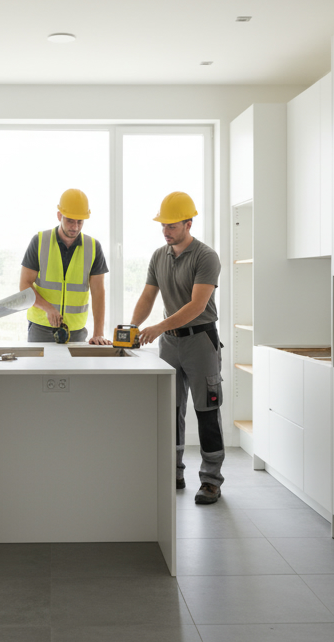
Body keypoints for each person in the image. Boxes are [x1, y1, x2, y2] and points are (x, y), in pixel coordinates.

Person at [129, 192, 224, 504]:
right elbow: (147, 297)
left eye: (172, 225)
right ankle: (174, 471)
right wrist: (132, 326)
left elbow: (197, 305)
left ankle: (211, 480)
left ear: (188, 223)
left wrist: (158, 327)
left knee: (206, 410)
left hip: (200, 341)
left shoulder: (206, 257)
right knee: (171, 410)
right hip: (171, 344)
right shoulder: (159, 256)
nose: (166, 231)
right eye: (163, 226)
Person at [20, 188, 110, 344]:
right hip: (41, 327)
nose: (75, 227)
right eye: (70, 220)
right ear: (59, 216)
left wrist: (98, 333)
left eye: (80, 222)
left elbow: (98, 292)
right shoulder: (40, 241)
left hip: (76, 330)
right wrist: (48, 308)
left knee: (74, 370)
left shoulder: (93, 247)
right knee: (39, 369)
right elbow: (24, 285)